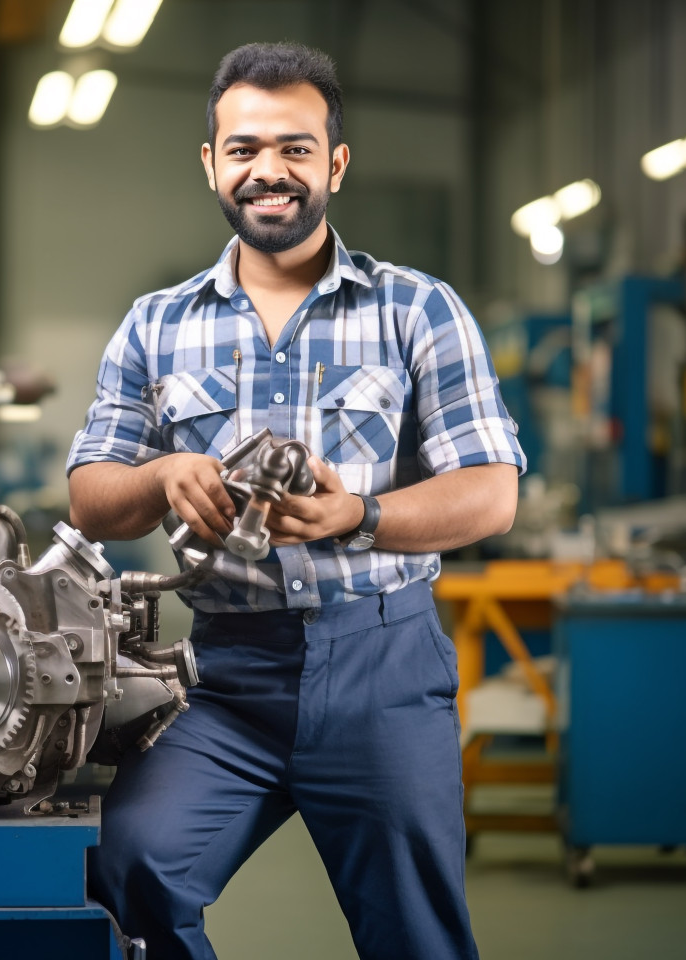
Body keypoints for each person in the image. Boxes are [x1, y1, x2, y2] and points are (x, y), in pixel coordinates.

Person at [67, 41, 525, 960]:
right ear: (211, 163)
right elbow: (90, 496)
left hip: (381, 669)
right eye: (242, 149)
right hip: (225, 684)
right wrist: (161, 477)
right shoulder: (157, 324)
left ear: (335, 164)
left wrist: (361, 514)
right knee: (129, 868)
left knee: (417, 938)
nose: (267, 171)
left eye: (295, 148)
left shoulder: (416, 310)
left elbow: (492, 493)